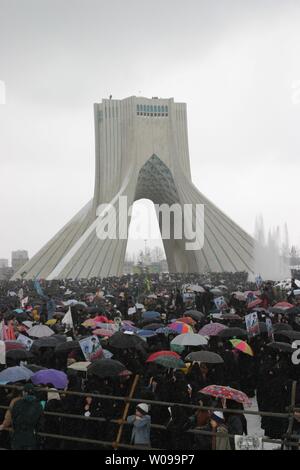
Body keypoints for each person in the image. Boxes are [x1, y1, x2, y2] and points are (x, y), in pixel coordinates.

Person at [10, 383, 43, 450]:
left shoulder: (17, 403)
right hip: (31, 436)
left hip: (17, 436)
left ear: (25, 392)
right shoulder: (38, 405)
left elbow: (13, 418)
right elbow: (40, 422)